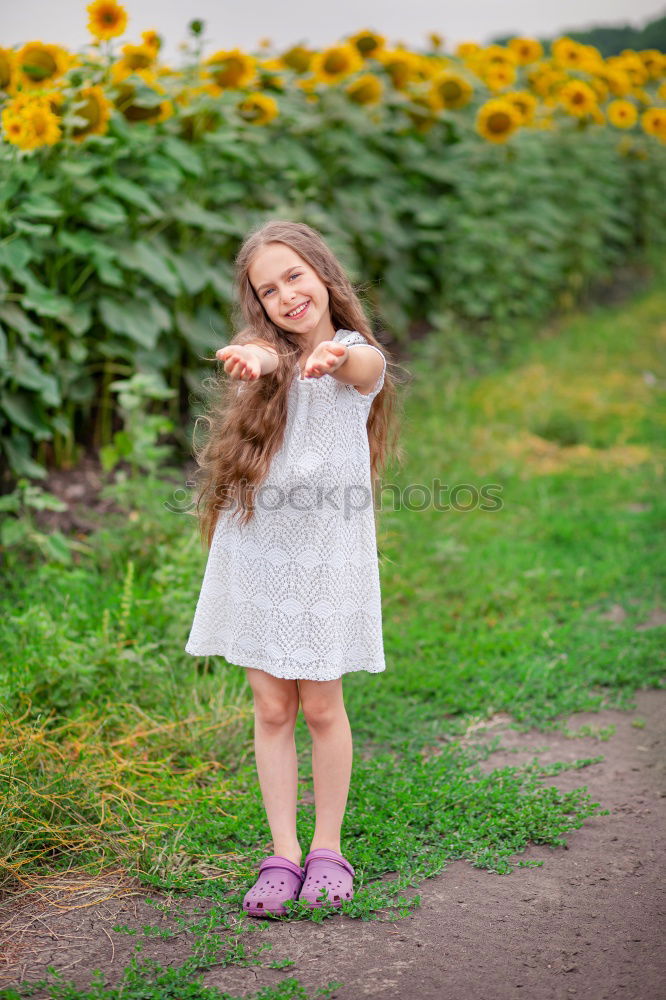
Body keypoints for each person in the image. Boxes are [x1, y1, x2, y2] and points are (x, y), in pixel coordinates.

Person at [184, 219, 403, 917]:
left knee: (321, 705)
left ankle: (327, 847)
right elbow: (261, 354)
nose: (286, 295)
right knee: (273, 706)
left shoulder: (351, 352)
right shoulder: (264, 354)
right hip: (257, 551)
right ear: (259, 304)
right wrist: (263, 361)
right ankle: (281, 853)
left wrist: (331, 361)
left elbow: (368, 368)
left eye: (295, 277)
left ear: (324, 278)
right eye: (268, 289)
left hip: (325, 559)